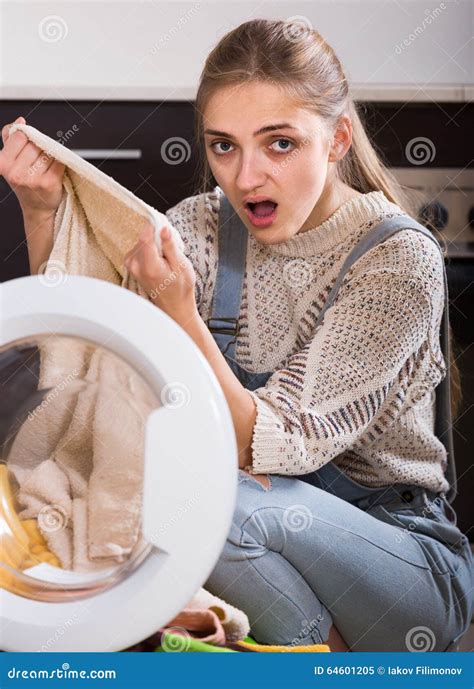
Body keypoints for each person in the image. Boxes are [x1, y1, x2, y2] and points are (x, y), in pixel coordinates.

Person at [1, 17, 472, 652]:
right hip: (254, 550)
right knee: (168, 494)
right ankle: (281, 651)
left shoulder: (397, 260)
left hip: (400, 565)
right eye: (224, 146)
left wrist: (183, 316)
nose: (247, 177)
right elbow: (92, 361)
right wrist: (42, 209)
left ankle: (313, 660)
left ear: (337, 139)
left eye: (279, 144)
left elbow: (275, 449)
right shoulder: (197, 225)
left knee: (199, 502)